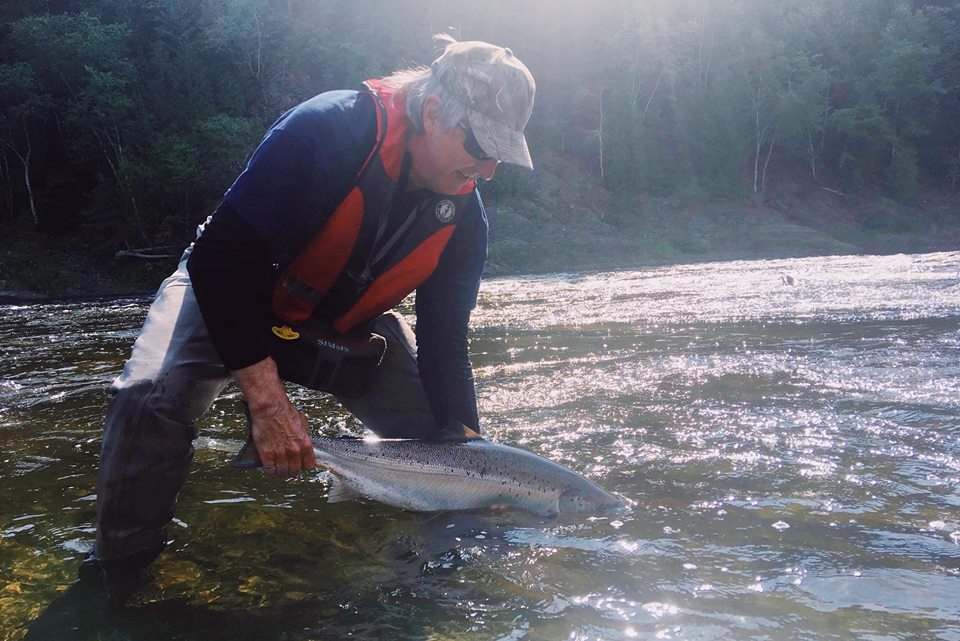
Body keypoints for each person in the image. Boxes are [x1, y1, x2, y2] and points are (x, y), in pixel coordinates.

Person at [86, 34, 536, 585]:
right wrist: (269, 404)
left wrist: (474, 463)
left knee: (442, 444)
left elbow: (445, 347)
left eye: (500, 154)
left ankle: (414, 575)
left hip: (346, 325)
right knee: (146, 404)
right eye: (481, 146)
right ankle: (118, 577)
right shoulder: (328, 129)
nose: (488, 169)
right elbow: (221, 261)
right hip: (233, 291)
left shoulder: (464, 219)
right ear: (435, 112)